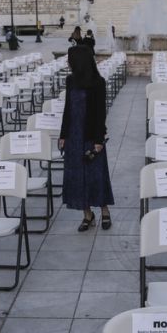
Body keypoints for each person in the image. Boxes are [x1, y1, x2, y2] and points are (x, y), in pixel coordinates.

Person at [59, 44, 114, 232]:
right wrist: (63, 135)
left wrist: (99, 141)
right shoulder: (70, 80)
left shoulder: (98, 83)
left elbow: (100, 113)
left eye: (70, 58)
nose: (68, 61)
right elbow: (67, 109)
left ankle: (104, 210)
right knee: (77, 176)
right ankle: (87, 214)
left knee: (96, 175)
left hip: (91, 135)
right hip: (74, 136)